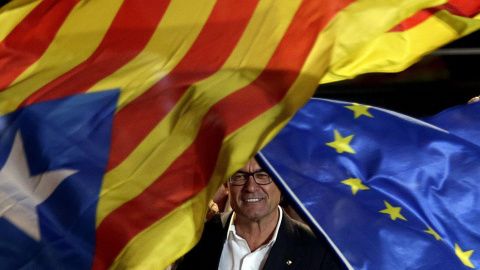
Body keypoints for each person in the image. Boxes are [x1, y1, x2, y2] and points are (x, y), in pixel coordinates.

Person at [173, 157, 342, 270]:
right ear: (226, 184)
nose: (251, 187)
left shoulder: (318, 252)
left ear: (281, 183)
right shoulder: (197, 239)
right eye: (240, 176)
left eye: (262, 175)